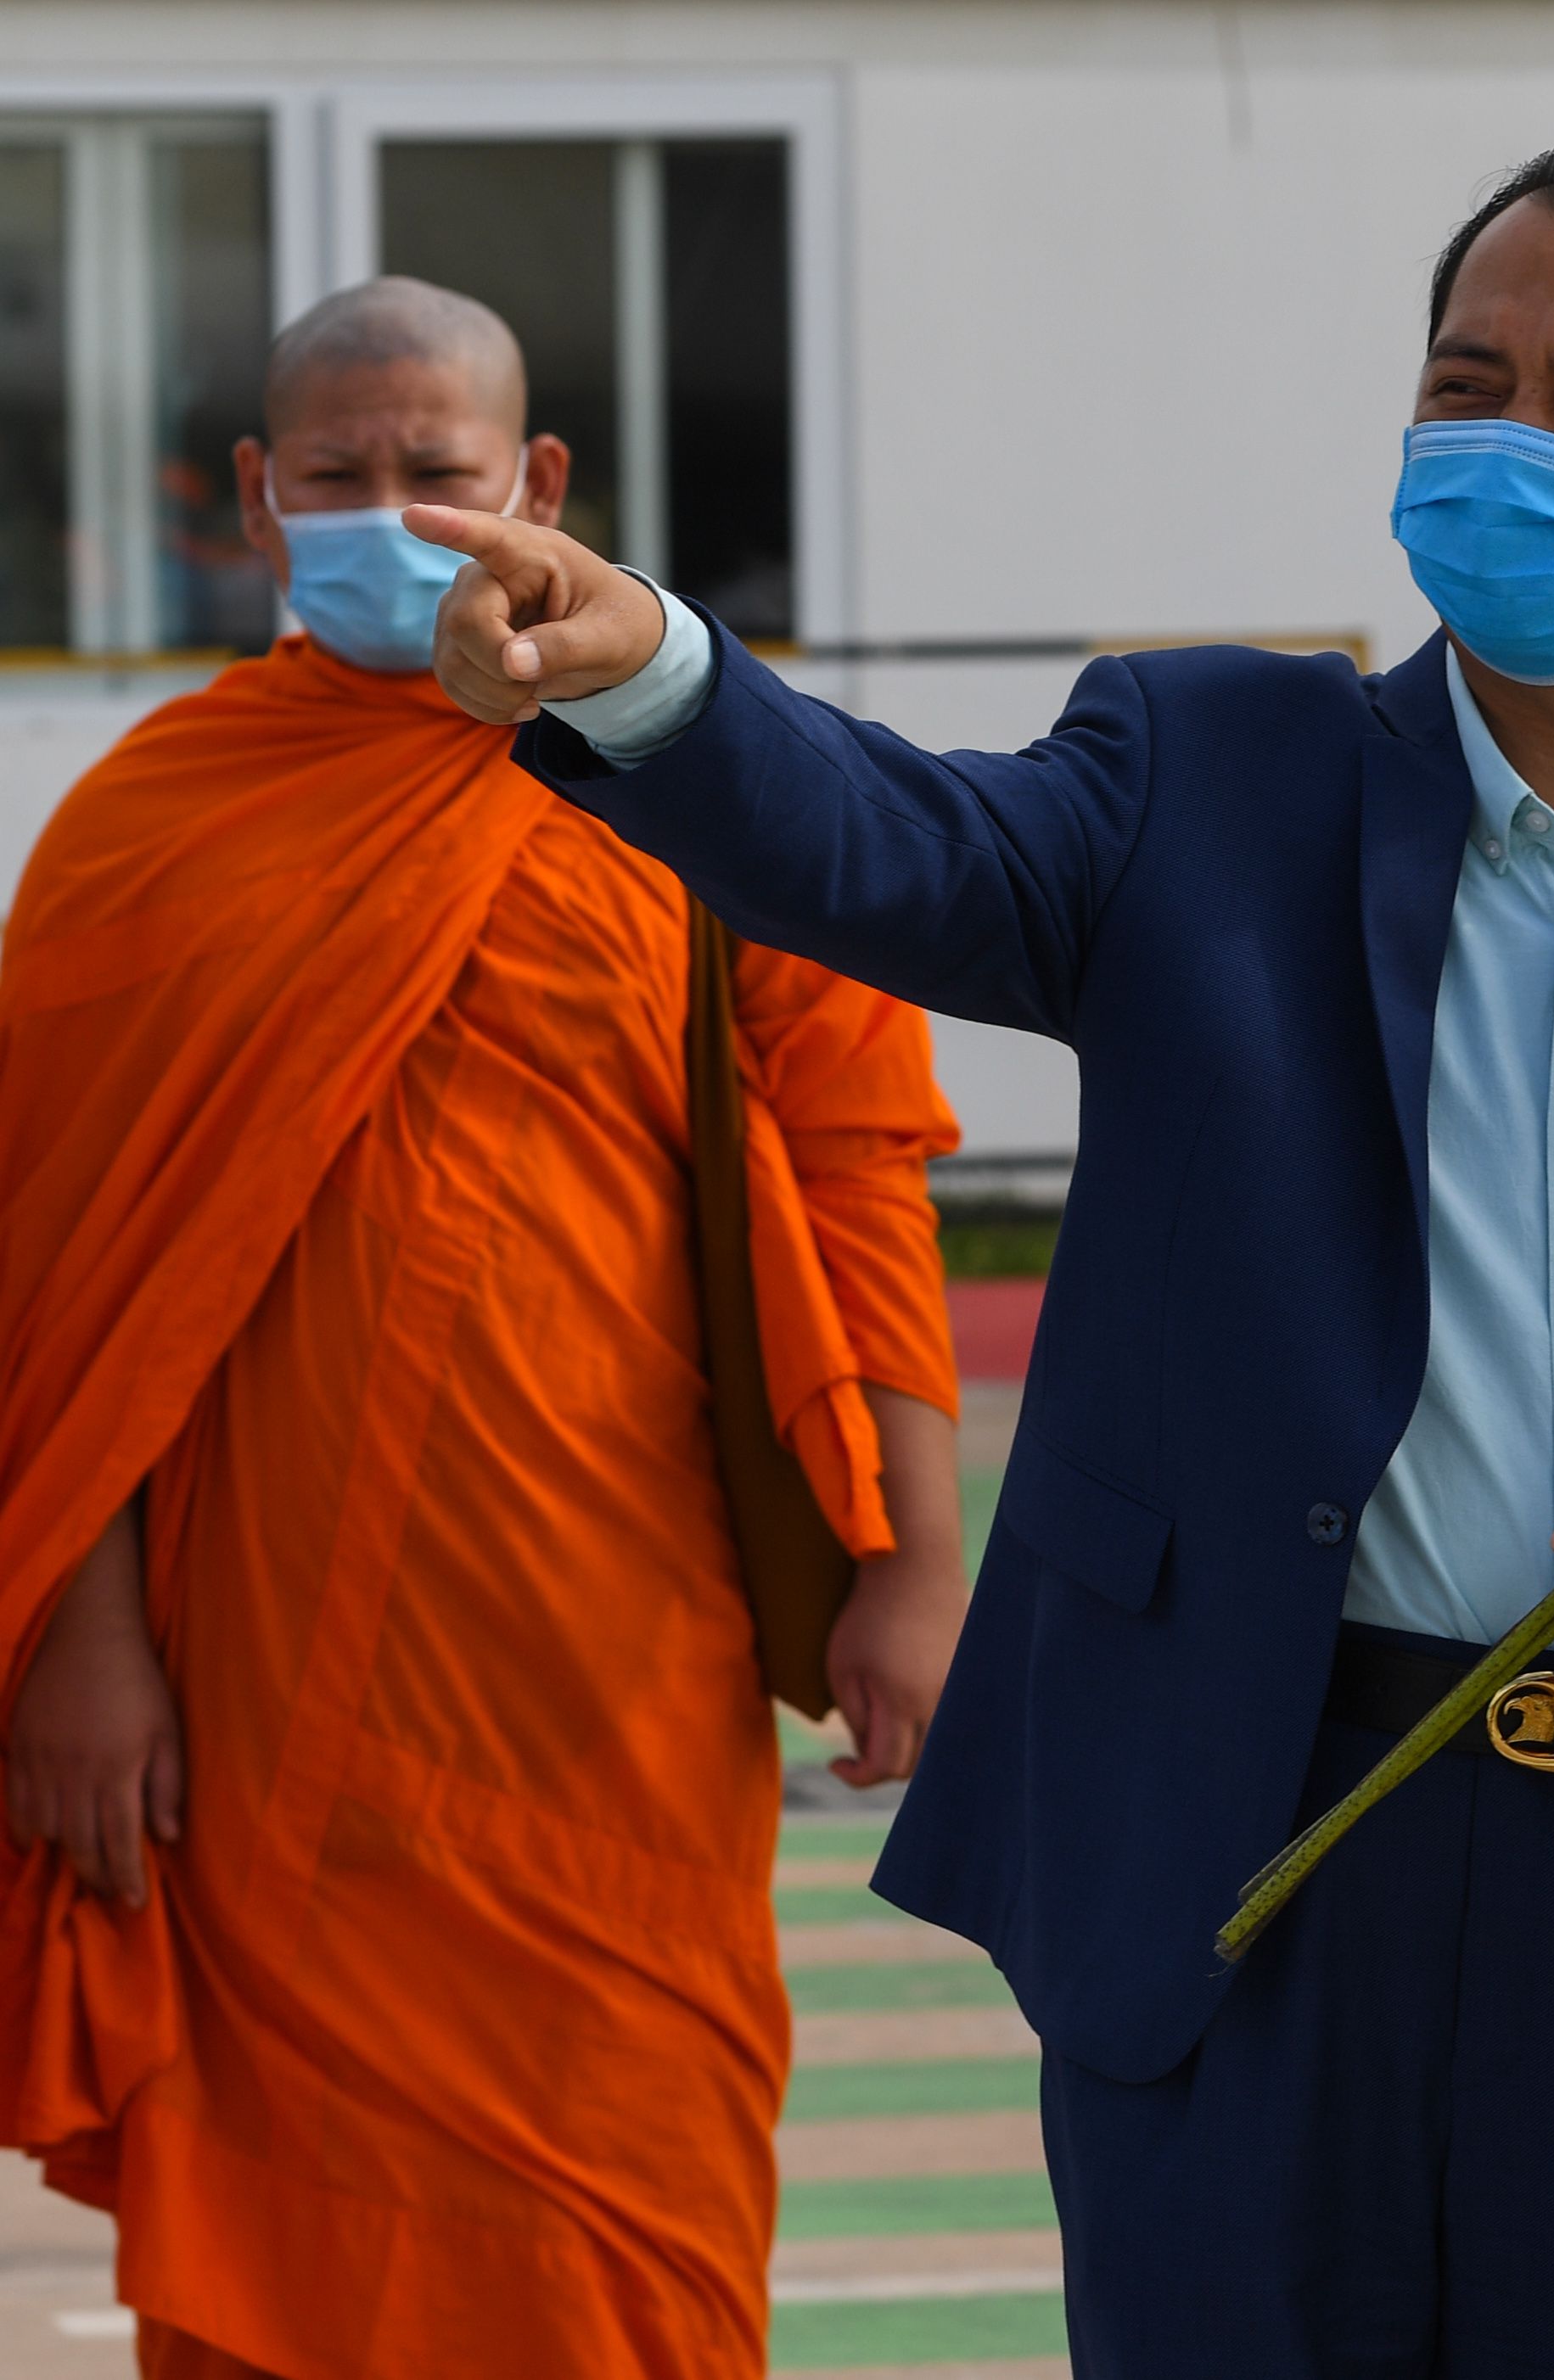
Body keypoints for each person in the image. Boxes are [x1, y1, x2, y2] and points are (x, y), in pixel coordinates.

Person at [414, 147, 1554, 2375]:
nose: (1507, 443)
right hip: (1251, 1845)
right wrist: (660, 676)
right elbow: (904, 843)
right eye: (1464, 382)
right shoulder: (1211, 766)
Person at [0, 277, 967, 2379]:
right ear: (258, 503)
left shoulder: (707, 773)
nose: (386, 515)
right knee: (278, 2265)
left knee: (627, 2220)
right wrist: (81, 1635)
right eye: (333, 478)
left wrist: (911, 1557)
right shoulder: (148, 827)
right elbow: (50, 1286)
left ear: (534, 485)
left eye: (433, 474)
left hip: (613, 1659)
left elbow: (861, 1151)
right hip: (254, 1714)